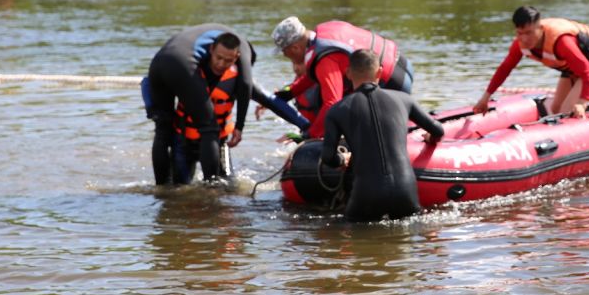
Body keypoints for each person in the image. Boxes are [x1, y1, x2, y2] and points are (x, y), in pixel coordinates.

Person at [320, 49, 445, 222]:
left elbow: (327, 157)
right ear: (380, 71)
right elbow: (438, 130)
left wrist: (342, 160)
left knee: (352, 235)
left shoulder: (337, 110)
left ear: (348, 73)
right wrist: (431, 139)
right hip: (405, 190)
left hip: (366, 194)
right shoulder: (404, 99)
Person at [143, 25, 258, 185]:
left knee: (162, 130)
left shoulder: (216, 65)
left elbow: (263, 96)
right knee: (208, 129)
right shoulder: (241, 48)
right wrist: (240, 125)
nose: (222, 64)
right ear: (211, 51)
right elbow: (246, 85)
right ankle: (211, 190)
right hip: (185, 141)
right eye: (219, 58)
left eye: (228, 61)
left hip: (158, 63)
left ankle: (162, 190)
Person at [271, 16, 415, 139]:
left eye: (284, 51)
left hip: (391, 83)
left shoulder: (325, 58)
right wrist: (290, 92)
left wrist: (310, 135)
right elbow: (316, 75)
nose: (284, 56)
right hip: (402, 63)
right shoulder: (325, 31)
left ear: (295, 47)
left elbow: (332, 102)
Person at [473, 6, 589, 120]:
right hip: (571, 69)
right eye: (520, 33)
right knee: (555, 109)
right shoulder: (520, 44)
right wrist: (486, 97)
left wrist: (582, 103)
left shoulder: (562, 42)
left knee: (566, 112)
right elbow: (505, 69)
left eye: (529, 32)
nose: (525, 38)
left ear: (540, 28)